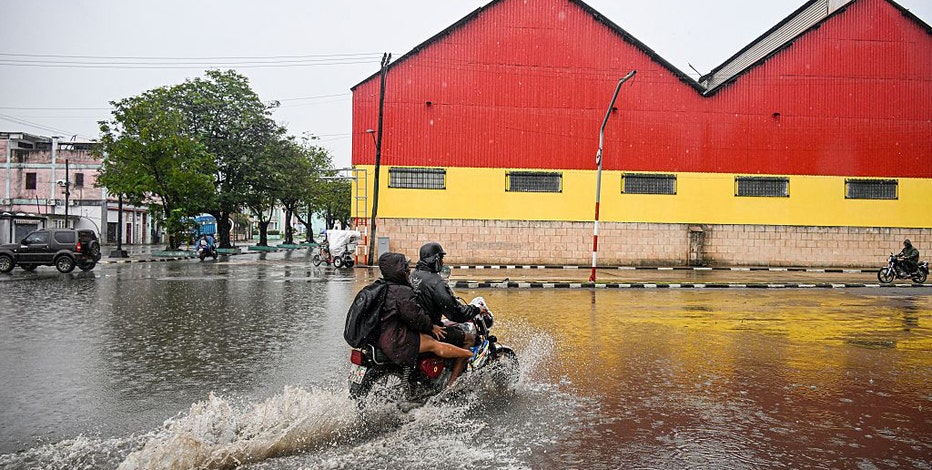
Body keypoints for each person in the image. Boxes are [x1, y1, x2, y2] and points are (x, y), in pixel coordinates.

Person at [375, 252, 473, 376]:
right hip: (396, 338)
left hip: (383, 335)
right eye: (405, 268)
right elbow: (414, 316)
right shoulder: (402, 290)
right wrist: (432, 327)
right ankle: (453, 382)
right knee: (440, 343)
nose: (408, 271)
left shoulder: (381, 287)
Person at [409, 241, 488, 385]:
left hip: (413, 328)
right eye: (441, 258)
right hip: (430, 329)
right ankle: (452, 384)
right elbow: (455, 313)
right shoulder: (436, 282)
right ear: (435, 259)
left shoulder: (412, 276)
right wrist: (476, 309)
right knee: (468, 338)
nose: (443, 261)